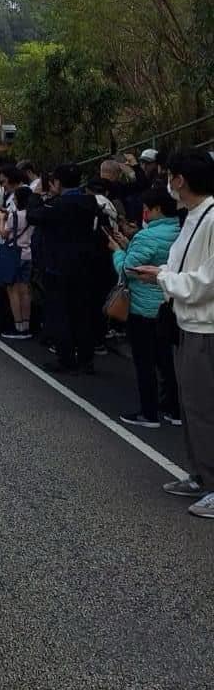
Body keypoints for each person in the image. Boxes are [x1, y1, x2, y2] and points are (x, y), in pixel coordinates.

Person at [131, 149, 214, 517]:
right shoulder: (194, 216)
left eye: (170, 176)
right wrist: (164, 273)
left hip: (205, 326)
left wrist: (164, 278)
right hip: (186, 322)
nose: (167, 183)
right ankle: (200, 474)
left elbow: (207, 281)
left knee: (205, 408)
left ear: (180, 180)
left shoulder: (211, 217)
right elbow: (186, 267)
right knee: (192, 406)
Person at [107, 186, 181, 428]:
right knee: (166, 360)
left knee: (144, 362)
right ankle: (174, 409)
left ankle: (148, 413)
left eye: (147, 208)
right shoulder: (180, 231)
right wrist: (129, 244)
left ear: (157, 209)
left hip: (142, 307)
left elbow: (128, 269)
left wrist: (117, 252)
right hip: (167, 305)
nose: (144, 213)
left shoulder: (147, 236)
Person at [26, 164, 102, 374]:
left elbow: (33, 216)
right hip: (85, 266)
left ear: (57, 182)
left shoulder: (58, 205)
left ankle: (66, 358)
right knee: (82, 314)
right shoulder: (90, 202)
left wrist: (35, 195)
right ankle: (86, 359)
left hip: (58, 267)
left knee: (60, 314)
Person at [0, 184, 35, 340]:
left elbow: (4, 234)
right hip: (28, 254)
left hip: (14, 254)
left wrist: (1, 219)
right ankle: (26, 325)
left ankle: (17, 325)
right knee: (25, 291)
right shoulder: (33, 215)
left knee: (12, 290)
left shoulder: (15, 216)